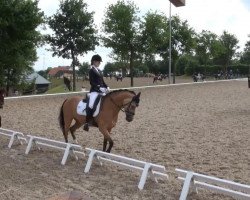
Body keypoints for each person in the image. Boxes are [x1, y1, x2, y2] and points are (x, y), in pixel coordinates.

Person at [83, 54, 110, 131]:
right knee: (91, 105)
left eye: (100, 62)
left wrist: (106, 86)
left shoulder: (99, 70)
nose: (99, 63)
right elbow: (92, 82)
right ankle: (87, 123)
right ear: (94, 62)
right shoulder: (91, 70)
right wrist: (99, 88)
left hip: (102, 90)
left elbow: (102, 81)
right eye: (98, 62)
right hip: (94, 91)